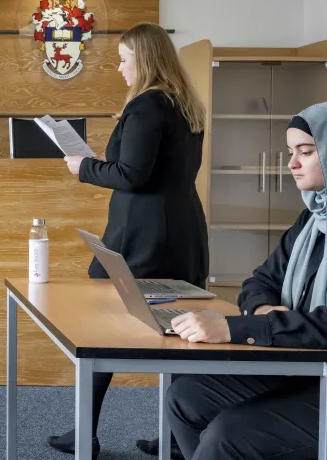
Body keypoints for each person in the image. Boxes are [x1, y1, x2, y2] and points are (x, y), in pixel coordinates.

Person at [49, 22, 209, 460]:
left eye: (123, 59)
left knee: (98, 328)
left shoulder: (146, 105)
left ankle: (86, 435)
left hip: (142, 237)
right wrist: (103, 162)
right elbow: (148, 169)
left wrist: (83, 167)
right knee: (180, 331)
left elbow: (132, 177)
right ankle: (176, 439)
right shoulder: (185, 104)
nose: (119, 68)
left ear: (144, 59)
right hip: (182, 231)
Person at [164, 102, 326, 460]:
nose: (292, 164)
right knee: (185, 396)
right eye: (290, 153)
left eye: (307, 152)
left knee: (228, 434)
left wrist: (237, 329)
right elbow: (259, 281)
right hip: (302, 364)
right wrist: (265, 308)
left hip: (321, 375)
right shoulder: (312, 218)